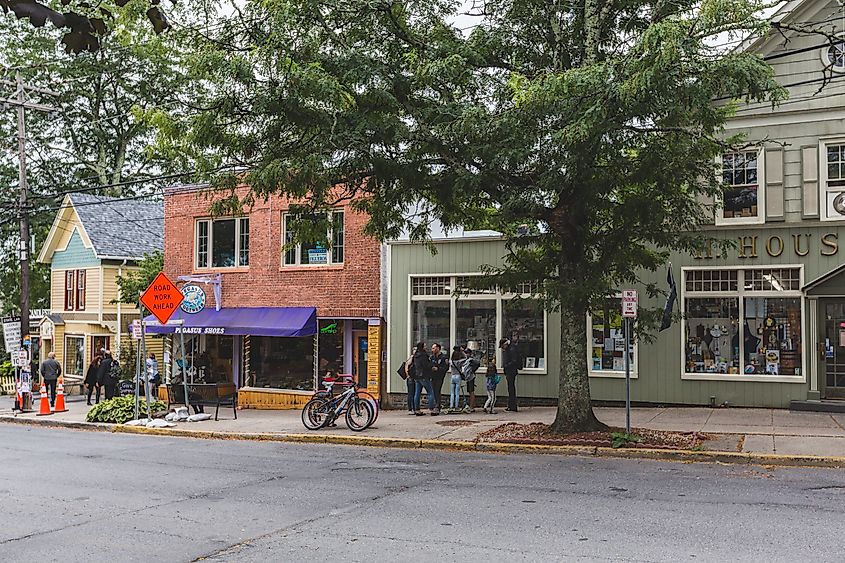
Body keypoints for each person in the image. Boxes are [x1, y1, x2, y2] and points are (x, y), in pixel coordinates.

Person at [411, 342, 436, 416]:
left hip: (417, 376)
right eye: (424, 346)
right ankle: (432, 409)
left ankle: (417, 409)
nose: (426, 347)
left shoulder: (416, 355)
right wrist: (432, 365)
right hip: (424, 376)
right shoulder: (423, 355)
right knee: (430, 392)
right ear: (422, 347)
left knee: (417, 393)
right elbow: (426, 365)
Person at [500, 338, 522, 412]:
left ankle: (512, 406)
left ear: (505, 344)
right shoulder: (510, 348)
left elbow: (514, 361)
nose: (502, 348)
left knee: (511, 388)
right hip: (510, 371)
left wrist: (506, 366)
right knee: (510, 388)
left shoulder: (511, 349)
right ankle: (511, 405)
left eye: (502, 346)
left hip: (511, 371)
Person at [429, 343, 448, 415]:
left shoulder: (443, 357)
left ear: (438, 348)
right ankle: (436, 405)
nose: (432, 350)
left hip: (440, 376)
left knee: (437, 390)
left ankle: (437, 405)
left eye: (433, 348)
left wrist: (438, 369)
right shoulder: (432, 357)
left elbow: (446, 367)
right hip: (433, 376)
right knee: (434, 391)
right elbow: (429, 365)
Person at [448, 347, 464, 413]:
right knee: (457, 392)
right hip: (458, 376)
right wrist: (462, 352)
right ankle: (456, 406)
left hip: (452, 376)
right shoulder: (459, 362)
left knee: (452, 392)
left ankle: (451, 406)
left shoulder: (451, 362)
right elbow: (466, 358)